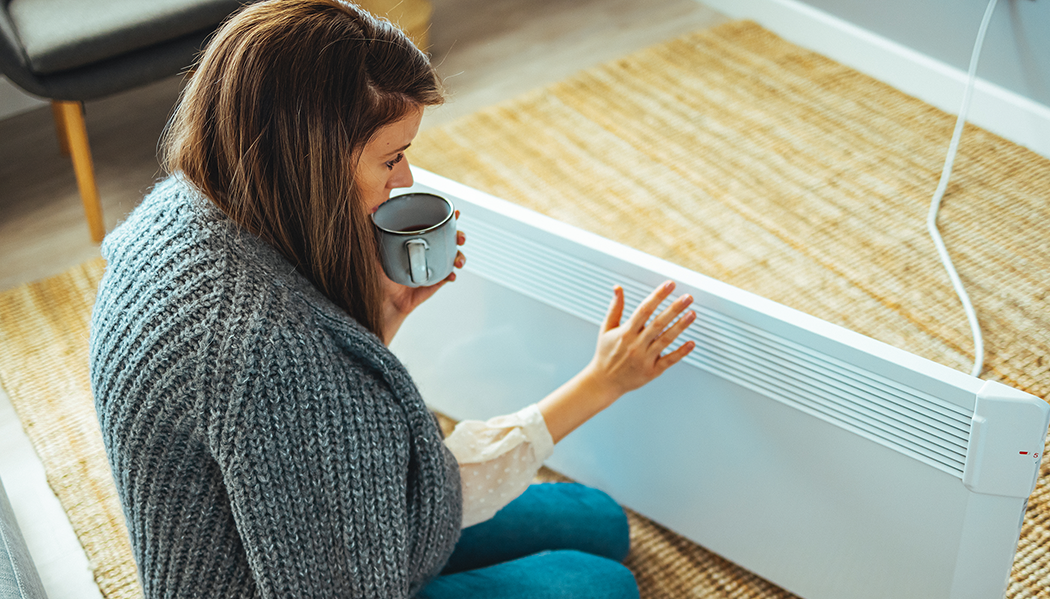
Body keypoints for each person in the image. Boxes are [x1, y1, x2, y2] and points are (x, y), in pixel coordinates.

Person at [88, 1, 697, 597]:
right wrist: (602, 382)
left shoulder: (178, 210)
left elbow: (316, 462)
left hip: (298, 538)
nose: (405, 179)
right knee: (601, 584)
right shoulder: (276, 361)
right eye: (393, 156)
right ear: (315, 164)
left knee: (596, 520)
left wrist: (378, 321)